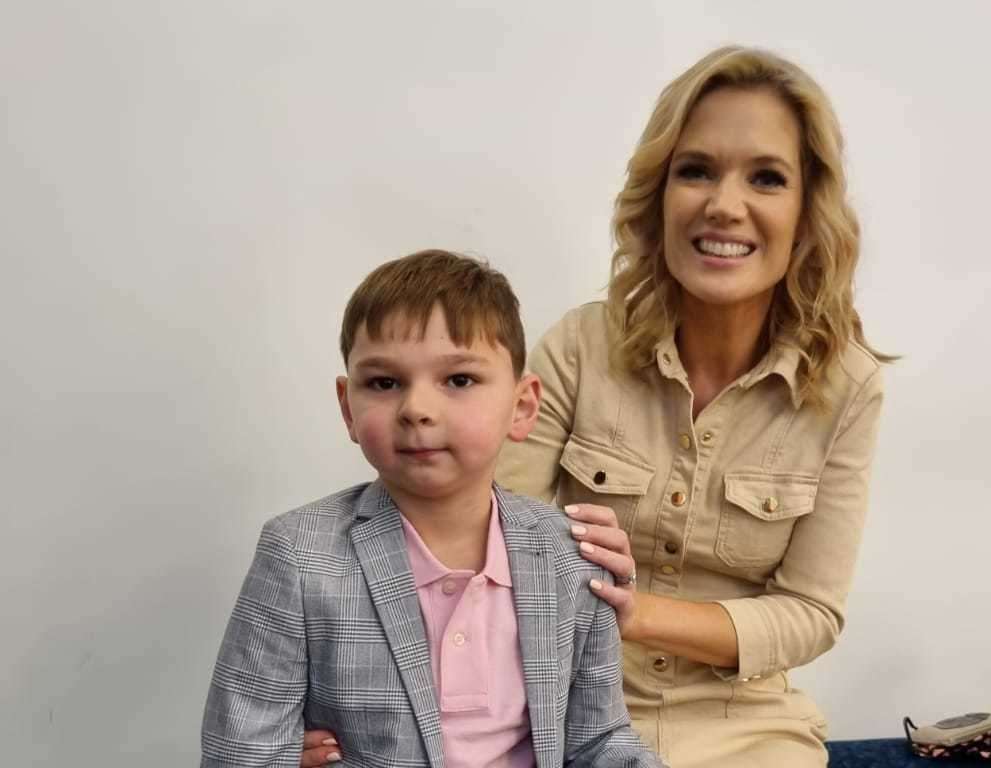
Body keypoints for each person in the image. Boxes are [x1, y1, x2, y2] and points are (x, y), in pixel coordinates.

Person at [303, 44, 888, 767]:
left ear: (806, 211)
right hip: (550, 706)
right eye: (695, 170)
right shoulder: (581, 347)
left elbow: (809, 613)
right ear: (660, 194)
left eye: (766, 178)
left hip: (750, 729)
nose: (723, 205)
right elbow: (463, 536)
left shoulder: (848, 387)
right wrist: (349, 706)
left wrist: (636, 614)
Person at [202, 250, 661, 767]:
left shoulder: (573, 556)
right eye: (384, 382)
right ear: (347, 407)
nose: (417, 408)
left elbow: (599, 741)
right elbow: (240, 752)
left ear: (523, 407)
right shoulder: (299, 554)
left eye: (459, 380)